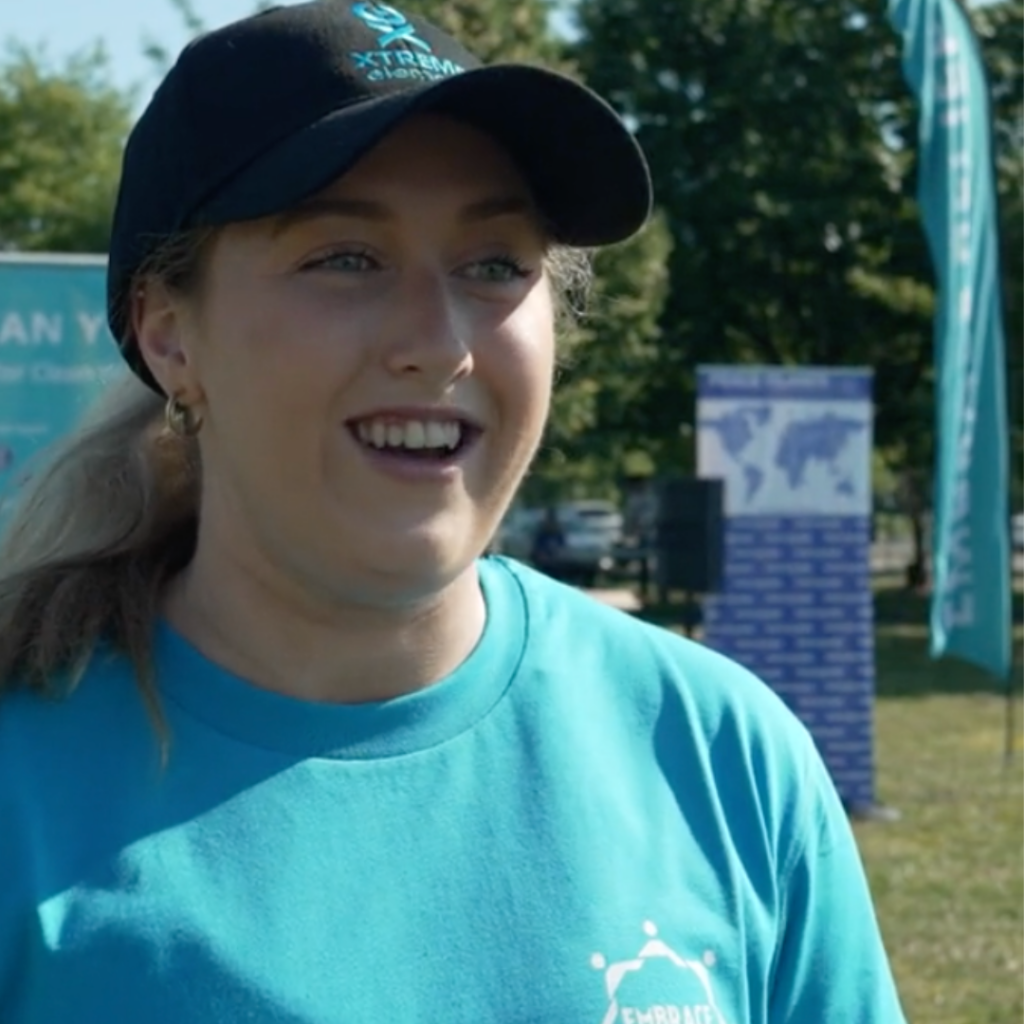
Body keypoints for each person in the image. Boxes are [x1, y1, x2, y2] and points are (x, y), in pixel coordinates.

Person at [0, 3, 907, 1022]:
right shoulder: (23, 785)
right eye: (345, 257)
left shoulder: (720, 749)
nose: (438, 342)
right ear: (170, 335)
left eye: (493, 266)